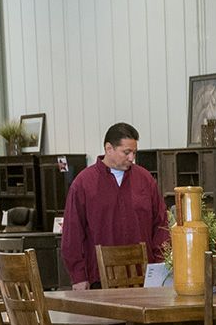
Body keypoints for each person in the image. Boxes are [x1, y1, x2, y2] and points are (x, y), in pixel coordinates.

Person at [60, 122, 169, 290]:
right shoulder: (83, 184)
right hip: (99, 281)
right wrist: (78, 276)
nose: (132, 158)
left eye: (134, 152)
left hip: (145, 279)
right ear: (108, 148)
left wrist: (160, 266)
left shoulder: (145, 180)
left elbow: (161, 225)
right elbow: (71, 235)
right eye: (126, 152)